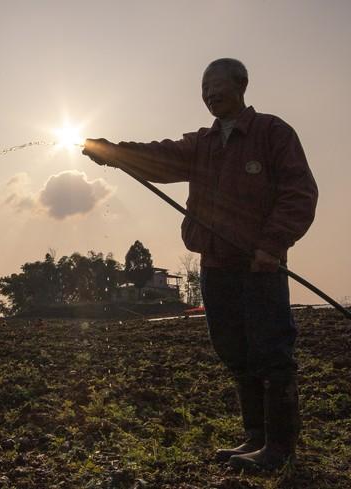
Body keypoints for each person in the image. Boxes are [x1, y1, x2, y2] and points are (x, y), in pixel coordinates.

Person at [82, 58, 318, 471]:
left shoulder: (272, 132)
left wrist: (272, 245)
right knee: (234, 350)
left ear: (242, 85)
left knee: (271, 351)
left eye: (217, 85)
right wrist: (113, 152)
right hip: (215, 265)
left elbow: (299, 192)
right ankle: (256, 437)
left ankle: (280, 447)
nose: (209, 94)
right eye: (204, 88)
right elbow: (160, 158)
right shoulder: (202, 143)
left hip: (259, 265)